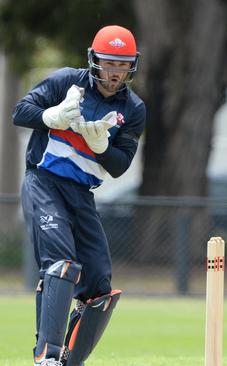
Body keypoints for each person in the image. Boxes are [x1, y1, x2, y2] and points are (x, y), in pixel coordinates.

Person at [13, 25, 145, 366]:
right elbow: (20, 112)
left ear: (131, 65)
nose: (114, 73)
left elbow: (119, 165)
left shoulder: (133, 108)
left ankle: (70, 361)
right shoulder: (65, 83)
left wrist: (101, 147)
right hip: (44, 181)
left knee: (100, 285)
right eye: (109, 63)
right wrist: (50, 116)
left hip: (81, 193)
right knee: (60, 264)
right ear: (94, 60)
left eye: (122, 65)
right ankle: (47, 357)